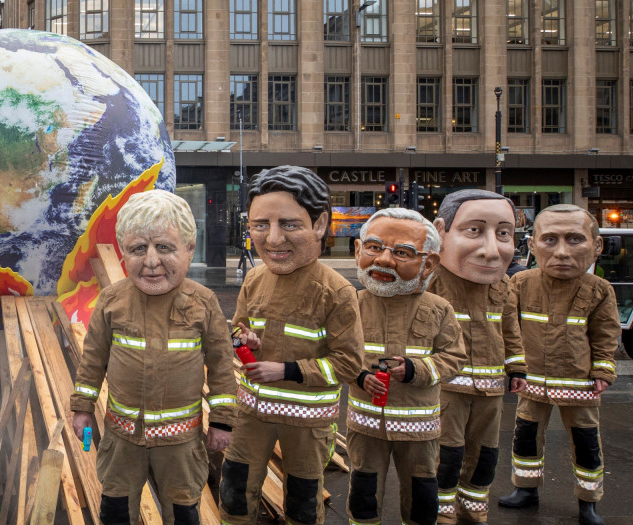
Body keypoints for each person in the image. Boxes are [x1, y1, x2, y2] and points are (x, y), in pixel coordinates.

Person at [70, 189, 237, 525]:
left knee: (182, 511)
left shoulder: (203, 302)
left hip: (180, 445)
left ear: (189, 250)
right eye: (137, 249)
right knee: (116, 509)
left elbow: (221, 365)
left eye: (164, 247)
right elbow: (93, 360)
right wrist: (82, 408)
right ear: (122, 254)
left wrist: (222, 419)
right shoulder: (111, 301)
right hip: (122, 441)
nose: (150, 260)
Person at [219, 166, 364, 525]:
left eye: (289, 224)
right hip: (251, 414)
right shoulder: (254, 280)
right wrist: (243, 340)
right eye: (260, 225)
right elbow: (237, 331)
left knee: (302, 502)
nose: (272, 239)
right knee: (235, 491)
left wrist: (285, 371)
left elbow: (348, 363)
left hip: (307, 424)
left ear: (319, 224)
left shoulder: (337, 292)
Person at [498, 205, 619, 525]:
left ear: (597, 246)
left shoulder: (599, 290)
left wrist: (603, 370)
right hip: (531, 381)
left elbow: (607, 334)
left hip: (579, 382)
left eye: (575, 239)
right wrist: (511, 368)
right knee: (525, 437)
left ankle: (588, 501)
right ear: (533, 245)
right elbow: (507, 329)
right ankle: (525, 489)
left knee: (586, 443)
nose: (562, 252)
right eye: (550, 240)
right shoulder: (520, 283)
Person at [346, 208, 465, 525]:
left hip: (419, 429)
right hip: (366, 423)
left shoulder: (439, 309)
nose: (384, 260)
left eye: (402, 252)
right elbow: (333, 352)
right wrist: (358, 375)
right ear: (359, 250)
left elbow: (454, 358)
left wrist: (415, 370)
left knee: (422, 494)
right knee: (363, 492)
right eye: (374, 247)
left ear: (429, 263)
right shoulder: (350, 305)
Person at [426, 189, 526, 525]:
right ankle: (442, 506)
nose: (491, 248)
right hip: (448, 388)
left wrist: (517, 367)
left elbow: (510, 329)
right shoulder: (431, 281)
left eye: (503, 233)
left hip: (490, 388)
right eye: (474, 230)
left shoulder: (504, 285)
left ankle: (473, 503)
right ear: (441, 232)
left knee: (485, 454)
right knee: (447, 452)